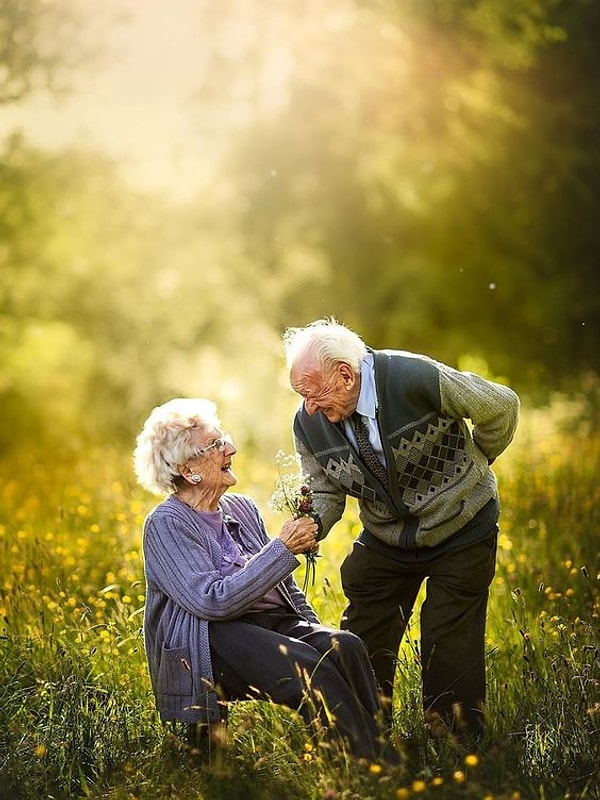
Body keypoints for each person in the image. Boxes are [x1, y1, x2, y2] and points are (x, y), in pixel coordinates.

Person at [282, 318, 520, 741]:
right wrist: (311, 523)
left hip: (462, 525)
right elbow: (324, 489)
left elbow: (501, 406)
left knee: (449, 637)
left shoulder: (413, 376)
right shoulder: (309, 422)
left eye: (313, 392)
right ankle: (362, 732)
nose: (310, 407)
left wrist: (473, 464)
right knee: (363, 626)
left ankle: (455, 740)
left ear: (345, 374)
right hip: (388, 535)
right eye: (302, 395)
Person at [133, 397, 388, 762]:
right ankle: (377, 767)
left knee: (344, 647)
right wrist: (282, 548)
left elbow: (282, 586)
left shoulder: (241, 508)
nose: (230, 448)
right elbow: (212, 601)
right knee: (308, 666)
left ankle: (358, 754)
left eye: (225, 439)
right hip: (213, 640)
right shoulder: (166, 524)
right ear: (189, 470)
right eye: (216, 445)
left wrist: (313, 630)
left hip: (270, 626)